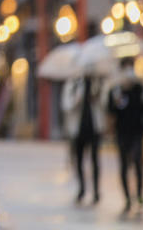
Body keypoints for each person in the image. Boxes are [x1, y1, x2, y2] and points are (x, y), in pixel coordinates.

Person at [106, 57, 143, 213]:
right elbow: (111, 110)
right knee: (124, 166)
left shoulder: (140, 88)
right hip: (122, 132)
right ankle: (127, 198)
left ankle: (139, 194)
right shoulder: (116, 90)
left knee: (138, 163)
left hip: (137, 131)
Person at [61, 73, 105, 203]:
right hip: (78, 128)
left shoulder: (97, 83)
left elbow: (104, 104)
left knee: (95, 159)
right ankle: (81, 189)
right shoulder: (73, 84)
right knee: (78, 160)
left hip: (94, 127)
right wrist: (77, 98)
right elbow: (66, 105)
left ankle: (96, 190)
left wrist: (97, 96)